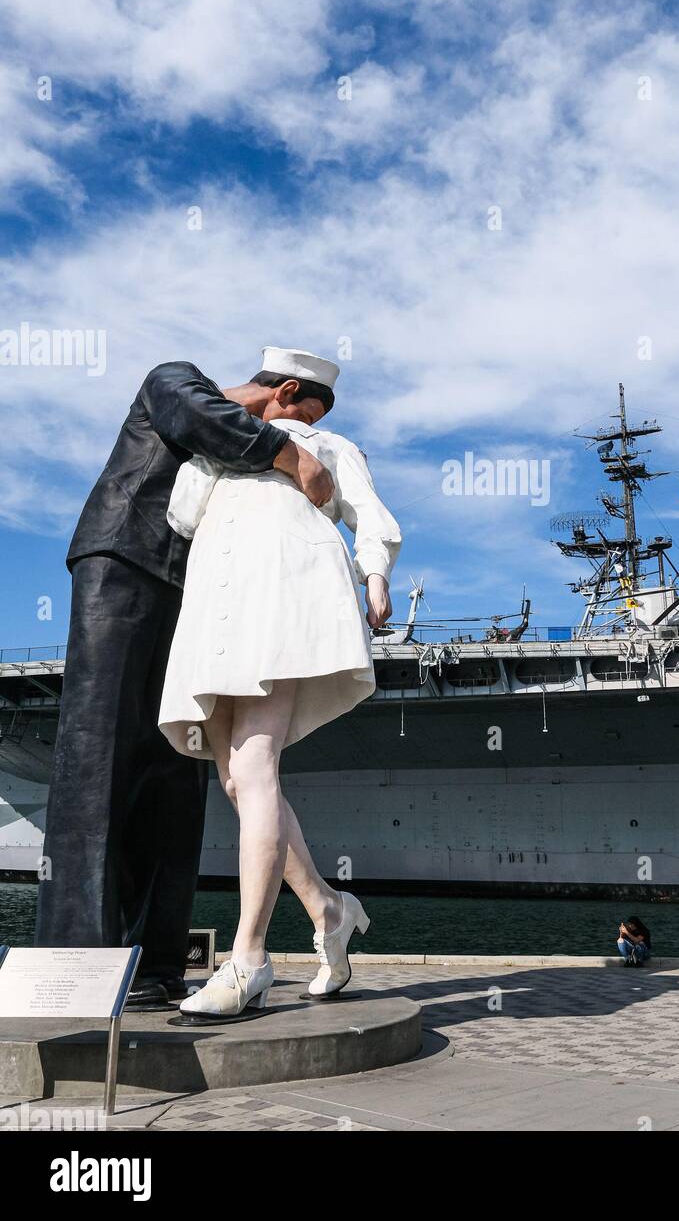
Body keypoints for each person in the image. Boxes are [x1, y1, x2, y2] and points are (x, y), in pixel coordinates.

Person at [35, 355, 334, 1007]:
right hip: (123, 563)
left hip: (193, 594)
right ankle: (73, 964)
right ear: (283, 390)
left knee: (177, 775)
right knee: (98, 757)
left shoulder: (244, 460)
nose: (302, 436)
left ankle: (152, 967)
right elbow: (210, 419)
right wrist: (296, 458)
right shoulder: (175, 380)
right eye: (301, 417)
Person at [158, 346, 402, 1018]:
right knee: (238, 779)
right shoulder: (227, 447)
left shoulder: (329, 444)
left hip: (284, 592)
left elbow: (367, 512)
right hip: (221, 599)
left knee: (255, 765)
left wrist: (374, 571)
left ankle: (249, 958)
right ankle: (328, 908)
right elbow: (183, 513)